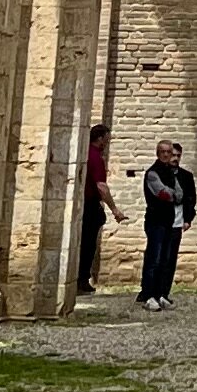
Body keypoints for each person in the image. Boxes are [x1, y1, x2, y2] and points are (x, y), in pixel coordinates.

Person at [139, 139, 195, 306]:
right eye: (163, 152)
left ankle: (161, 293)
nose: (166, 155)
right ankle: (148, 294)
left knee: (167, 259)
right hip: (157, 220)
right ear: (158, 153)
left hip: (170, 222)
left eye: (168, 152)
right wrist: (173, 195)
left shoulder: (174, 173)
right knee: (154, 259)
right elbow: (164, 194)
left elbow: (183, 195)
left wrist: (187, 215)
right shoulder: (153, 172)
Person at [78, 124, 113, 296]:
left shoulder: (85, 154)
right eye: (106, 138)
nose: (107, 142)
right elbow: (101, 186)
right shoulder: (95, 157)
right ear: (100, 138)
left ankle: (80, 278)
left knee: (85, 242)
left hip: (85, 203)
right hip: (90, 204)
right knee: (88, 243)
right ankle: (82, 279)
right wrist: (114, 209)